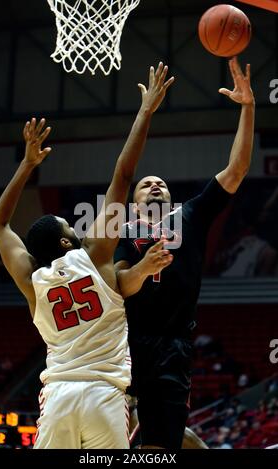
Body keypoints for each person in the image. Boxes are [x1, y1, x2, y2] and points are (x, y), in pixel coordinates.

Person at [0, 63, 174, 449]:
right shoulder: (95, 255)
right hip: (103, 396)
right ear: (64, 242)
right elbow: (123, 177)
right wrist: (145, 111)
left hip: (58, 397)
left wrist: (26, 165)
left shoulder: (32, 282)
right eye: (68, 225)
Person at [115, 57, 255, 449]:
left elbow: (237, 169)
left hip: (175, 346)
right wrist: (143, 268)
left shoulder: (190, 214)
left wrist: (248, 108)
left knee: (164, 444)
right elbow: (122, 285)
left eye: (161, 183)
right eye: (147, 185)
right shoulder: (123, 229)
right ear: (136, 200)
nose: (156, 185)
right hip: (127, 347)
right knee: (112, 443)